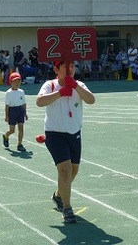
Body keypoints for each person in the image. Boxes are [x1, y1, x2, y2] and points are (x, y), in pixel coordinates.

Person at [36, 60, 95, 223]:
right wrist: (60, 92)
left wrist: (75, 86)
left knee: (74, 170)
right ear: (56, 69)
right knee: (65, 170)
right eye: (65, 66)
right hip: (54, 134)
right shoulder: (50, 85)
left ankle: (58, 195)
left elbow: (91, 100)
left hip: (74, 133)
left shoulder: (79, 84)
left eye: (72, 66)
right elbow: (39, 101)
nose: (70, 69)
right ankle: (67, 208)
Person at [2, 72, 28, 152]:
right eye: (15, 81)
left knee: (21, 128)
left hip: (20, 110)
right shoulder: (8, 93)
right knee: (12, 130)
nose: (17, 83)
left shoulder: (21, 92)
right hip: (12, 111)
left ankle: (19, 144)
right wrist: (6, 116)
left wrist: (25, 113)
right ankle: (6, 135)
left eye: (18, 81)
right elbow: (7, 105)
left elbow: (24, 103)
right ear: (11, 82)